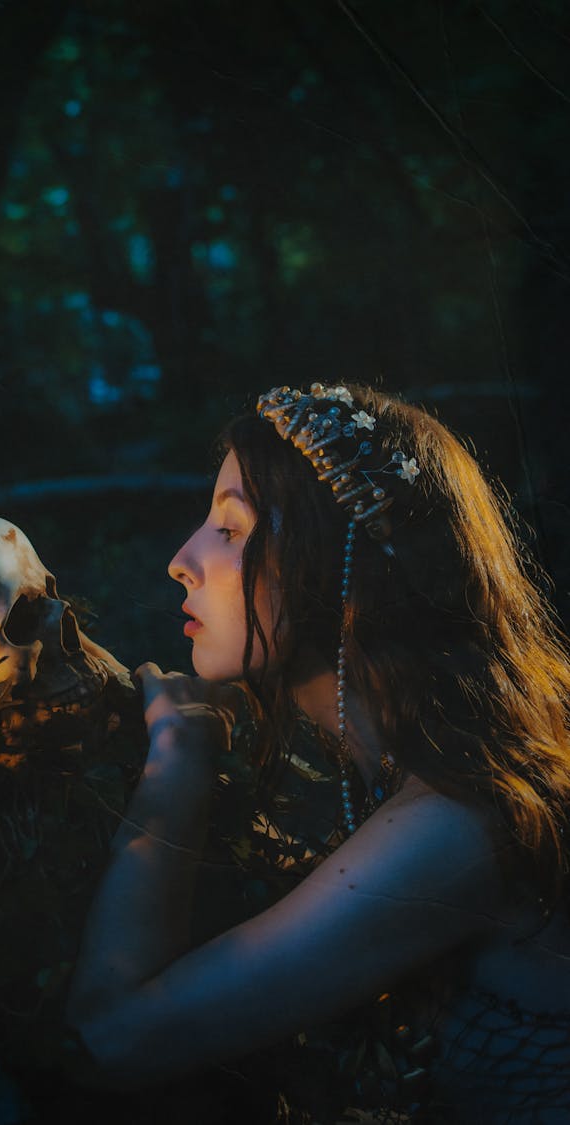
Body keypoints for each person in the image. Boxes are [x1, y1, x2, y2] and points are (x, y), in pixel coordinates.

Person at [67, 383, 570, 1122]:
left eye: (231, 530)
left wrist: (178, 763)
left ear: (338, 563)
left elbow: (111, 1038)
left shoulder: (459, 823)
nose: (183, 559)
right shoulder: (426, 774)